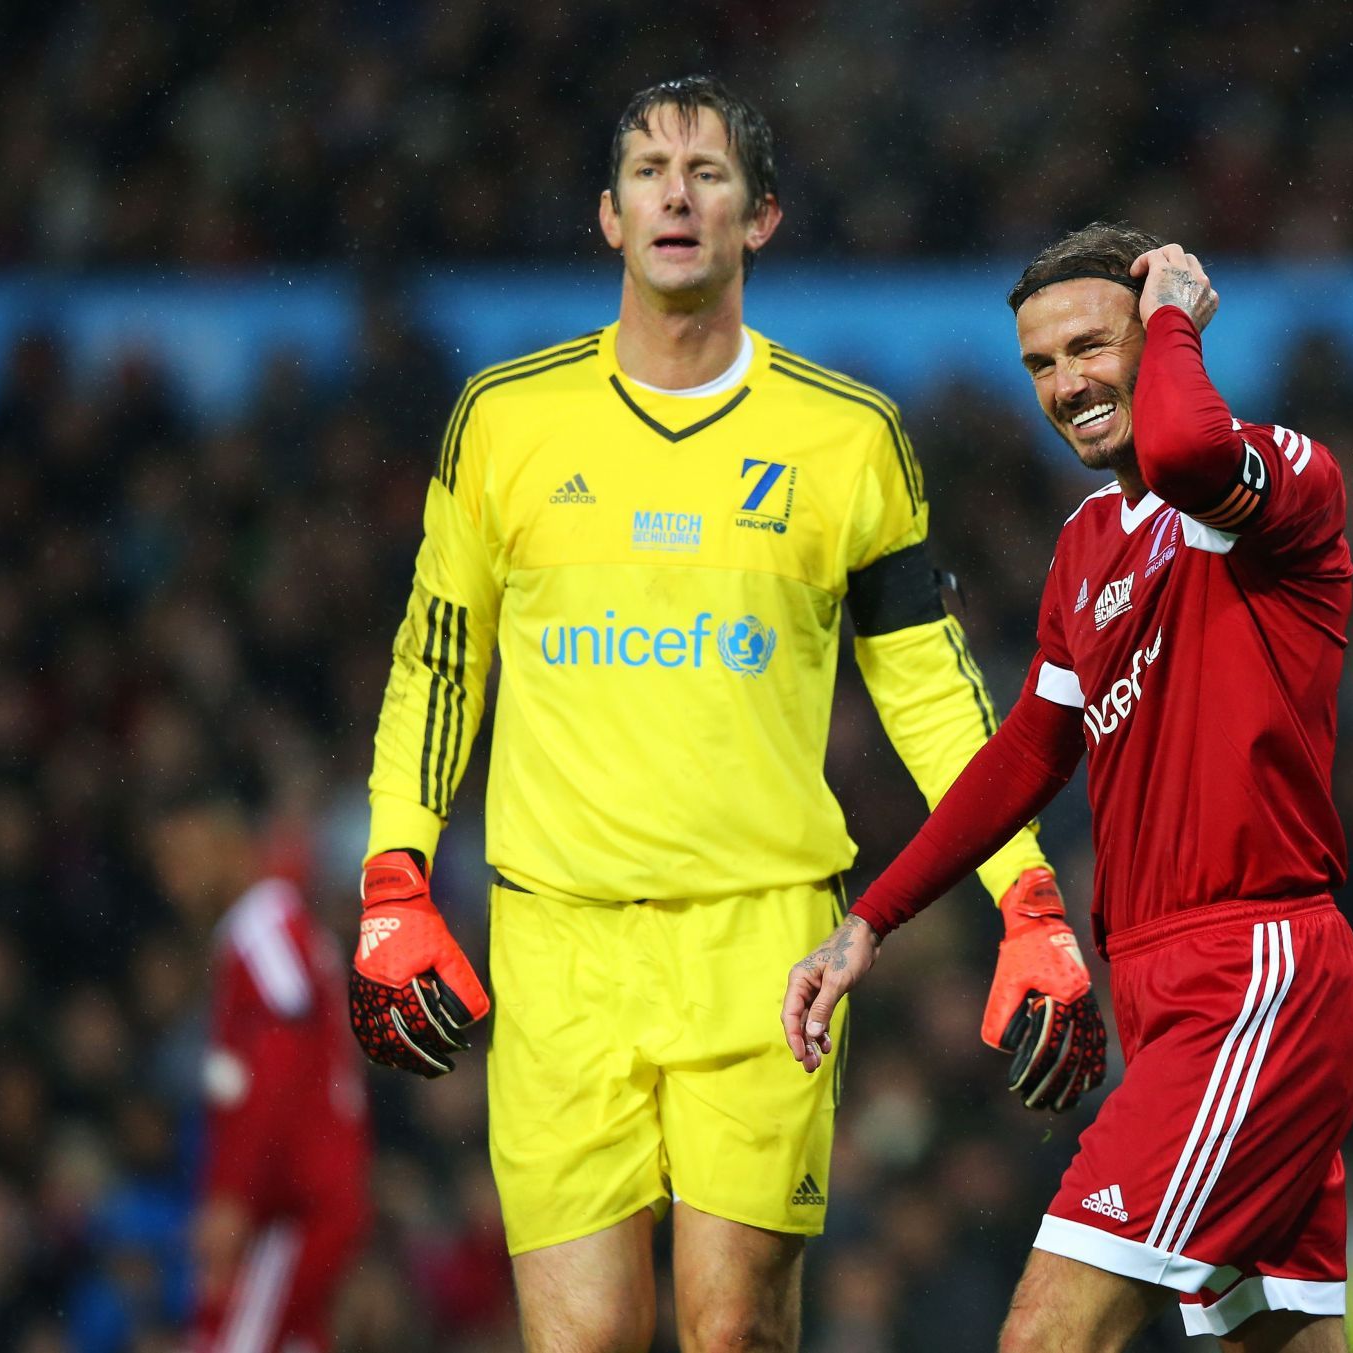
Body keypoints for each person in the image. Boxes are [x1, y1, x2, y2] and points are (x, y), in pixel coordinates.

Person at [347, 76, 1103, 1353]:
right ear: (607, 216)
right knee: (581, 1341)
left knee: (734, 1331)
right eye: (649, 170)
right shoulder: (505, 423)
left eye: (708, 174)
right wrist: (392, 873)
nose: (677, 193)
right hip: (559, 944)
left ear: (761, 220)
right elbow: (439, 662)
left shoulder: (849, 440)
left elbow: (932, 689)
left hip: (765, 950)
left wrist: (1026, 899)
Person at [785, 223, 1353, 1352]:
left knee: (1049, 1337)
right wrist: (873, 918)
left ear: (1163, 336)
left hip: (1252, 974)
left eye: (1090, 348)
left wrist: (1170, 321)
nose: (1065, 386)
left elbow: (1193, 456)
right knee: (1277, 1339)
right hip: (1161, 988)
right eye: (1040, 366)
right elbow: (1026, 757)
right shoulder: (1088, 542)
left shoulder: (1283, 478)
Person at [146, 788, 370, 1353]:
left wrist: (233, 1196)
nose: (176, 881)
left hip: (289, 1209)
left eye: (188, 857)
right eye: (166, 864)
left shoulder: (263, 930)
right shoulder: (273, 927)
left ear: (233, 848)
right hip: (302, 1197)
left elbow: (280, 1056)